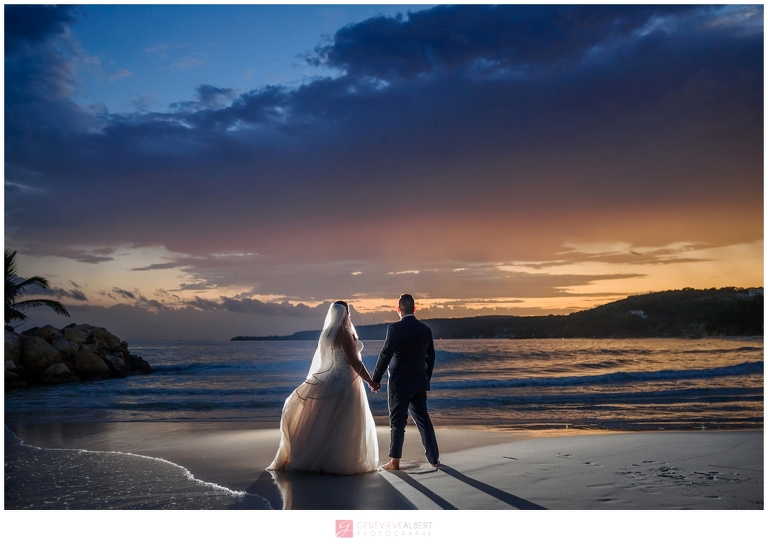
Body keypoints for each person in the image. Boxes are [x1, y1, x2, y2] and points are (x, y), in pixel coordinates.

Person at [267, 301, 380, 475]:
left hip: (331, 378)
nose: (350, 316)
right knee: (345, 422)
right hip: (345, 381)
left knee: (329, 422)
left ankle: (323, 458)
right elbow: (354, 361)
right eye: (349, 313)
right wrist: (370, 381)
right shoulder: (343, 333)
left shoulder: (328, 333)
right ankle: (340, 461)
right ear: (345, 314)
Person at [372, 294, 439, 470]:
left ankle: (395, 462)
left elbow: (385, 354)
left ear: (398, 309)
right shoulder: (425, 329)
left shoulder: (395, 329)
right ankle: (434, 459)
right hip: (418, 381)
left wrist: (375, 379)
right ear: (414, 309)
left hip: (399, 383)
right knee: (423, 419)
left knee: (397, 421)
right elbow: (430, 357)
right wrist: (426, 377)